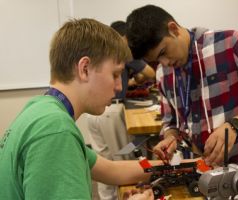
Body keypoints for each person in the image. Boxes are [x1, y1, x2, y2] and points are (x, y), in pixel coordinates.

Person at [0, 18, 154, 200]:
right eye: (115, 74)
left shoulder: (40, 109)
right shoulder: (55, 131)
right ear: (85, 69)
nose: (120, 86)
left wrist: (181, 165)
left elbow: (112, 170)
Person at [126, 5, 238, 165]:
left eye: (163, 52)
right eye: (157, 60)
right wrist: (170, 137)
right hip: (191, 170)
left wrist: (234, 126)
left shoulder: (232, 44)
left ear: (173, 29)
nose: (165, 63)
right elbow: (170, 121)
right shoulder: (163, 73)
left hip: (237, 169)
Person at [86, 21, 155, 200]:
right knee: (124, 158)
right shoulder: (123, 53)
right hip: (111, 110)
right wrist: (135, 78)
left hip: (92, 115)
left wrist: (130, 81)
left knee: (103, 162)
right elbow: (150, 73)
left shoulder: (102, 53)